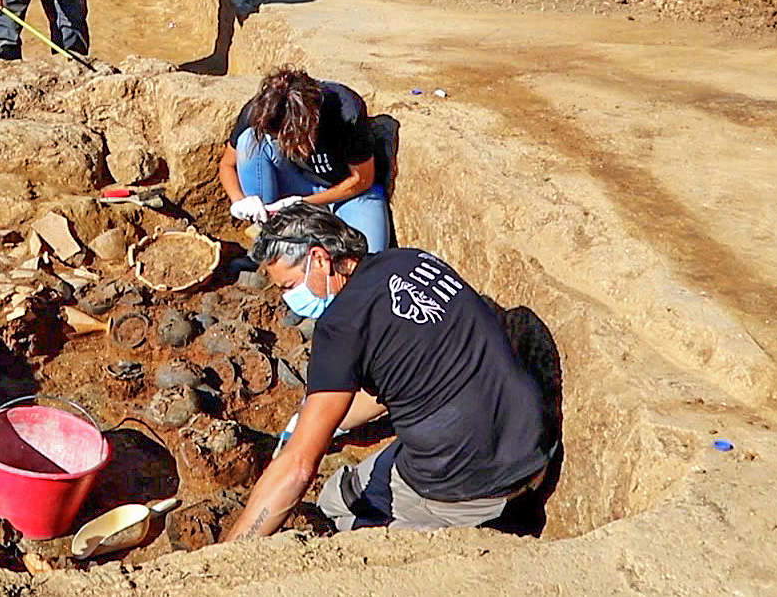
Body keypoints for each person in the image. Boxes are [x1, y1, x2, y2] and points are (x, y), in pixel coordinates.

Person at [221, 204, 551, 538]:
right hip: (531, 445)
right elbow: (398, 377)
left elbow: (298, 468)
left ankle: (444, 538)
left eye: (289, 285)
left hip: (468, 484)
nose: (287, 298)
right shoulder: (411, 260)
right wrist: (315, 422)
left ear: (319, 259)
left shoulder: (340, 327)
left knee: (336, 502)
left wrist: (231, 553)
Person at [218, 68, 391, 273]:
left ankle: (303, 241)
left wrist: (304, 203)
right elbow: (227, 164)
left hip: (350, 192)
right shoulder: (261, 111)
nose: (286, 144)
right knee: (249, 141)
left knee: (365, 262)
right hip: (299, 180)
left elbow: (362, 179)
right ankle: (271, 242)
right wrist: (239, 201)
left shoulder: (345, 112)